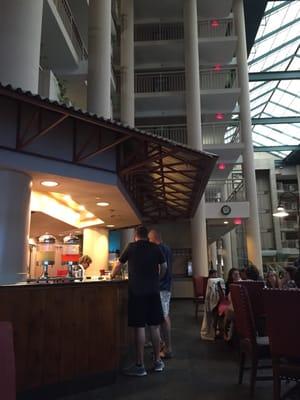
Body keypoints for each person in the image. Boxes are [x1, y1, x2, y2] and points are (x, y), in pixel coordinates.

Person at [111, 226, 167, 377]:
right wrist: (157, 279)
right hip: (153, 292)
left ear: (135, 235)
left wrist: (111, 276)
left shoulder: (131, 247)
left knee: (139, 327)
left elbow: (118, 264)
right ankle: (157, 362)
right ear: (147, 236)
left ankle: (140, 365)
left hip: (137, 292)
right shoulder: (155, 248)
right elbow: (164, 267)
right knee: (154, 327)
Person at [148, 229, 173, 359]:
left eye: (149, 239)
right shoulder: (167, 248)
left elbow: (161, 268)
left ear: (154, 238)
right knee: (163, 316)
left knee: (163, 317)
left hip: (161, 287)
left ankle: (168, 349)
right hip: (166, 286)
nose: (148, 242)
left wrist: (156, 281)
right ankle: (163, 346)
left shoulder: (157, 249)